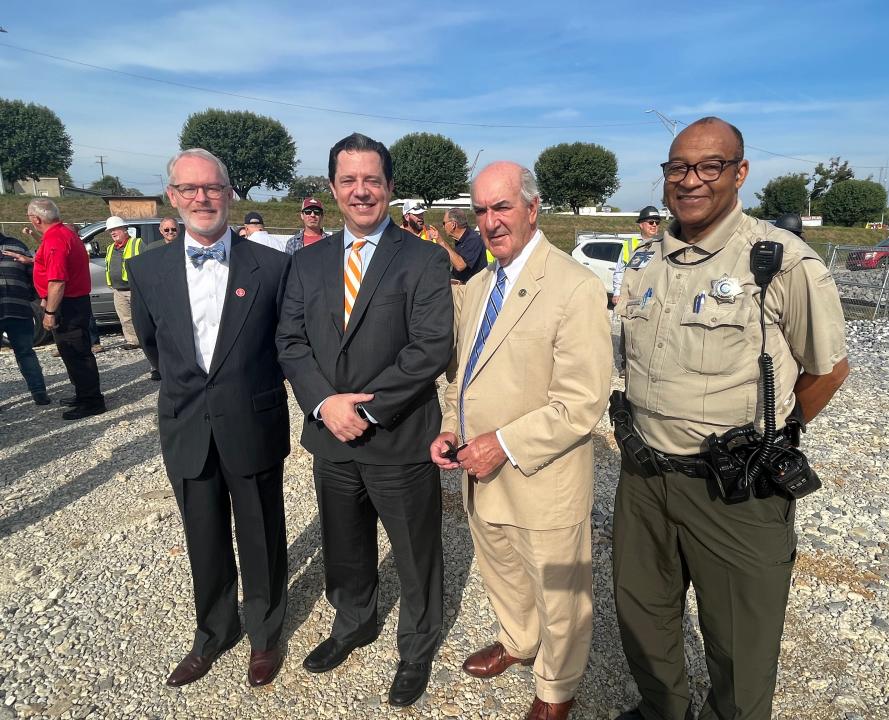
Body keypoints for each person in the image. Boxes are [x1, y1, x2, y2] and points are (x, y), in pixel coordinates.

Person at [612, 117, 849, 720]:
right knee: (644, 615)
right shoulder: (645, 264)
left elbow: (827, 369)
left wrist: (771, 443)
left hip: (734, 491)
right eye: (677, 168)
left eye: (709, 166)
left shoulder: (780, 261)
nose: (690, 180)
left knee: (740, 646)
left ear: (739, 172)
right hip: (644, 480)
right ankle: (663, 710)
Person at [430, 162, 611, 720]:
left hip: (539, 472)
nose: (490, 221)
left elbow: (582, 401)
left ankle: (557, 689)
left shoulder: (575, 287)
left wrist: (501, 443)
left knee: (559, 593)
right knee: (501, 566)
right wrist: (450, 426)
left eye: (501, 207)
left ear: (532, 209)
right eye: (481, 210)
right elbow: (463, 372)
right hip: (481, 469)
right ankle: (517, 640)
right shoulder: (481, 283)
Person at [276, 132, 452, 708]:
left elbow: (430, 349)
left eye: (371, 180)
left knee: (414, 551)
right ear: (332, 188)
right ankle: (354, 622)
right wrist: (327, 403)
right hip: (332, 436)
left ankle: (417, 646)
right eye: (348, 180)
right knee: (344, 544)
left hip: (398, 435)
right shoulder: (306, 262)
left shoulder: (422, 257)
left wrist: (367, 407)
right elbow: (291, 341)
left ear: (390, 187)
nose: (360, 191)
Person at [128, 148, 291, 689]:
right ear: (171, 197)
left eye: (213, 188)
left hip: (252, 421)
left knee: (261, 533)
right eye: (190, 189)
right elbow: (157, 349)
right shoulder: (145, 269)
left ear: (229, 193)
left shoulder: (271, 266)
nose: (202, 198)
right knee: (203, 536)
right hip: (187, 425)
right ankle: (213, 631)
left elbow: (284, 344)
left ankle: (265, 633)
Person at [27, 199, 106, 420]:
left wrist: (50, 312)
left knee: (76, 352)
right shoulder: (63, 234)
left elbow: (58, 280)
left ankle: (92, 400)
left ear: (36, 218)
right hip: (72, 301)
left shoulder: (56, 239)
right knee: (71, 351)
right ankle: (84, 394)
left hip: (69, 304)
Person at [0, 232, 49, 405]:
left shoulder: (17, 245)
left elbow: (34, 273)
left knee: (26, 353)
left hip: (19, 309)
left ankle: (39, 392)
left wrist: (33, 296)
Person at [103, 216, 144, 349]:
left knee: (140, 317)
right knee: (125, 318)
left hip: (135, 288)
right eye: (111, 231)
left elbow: (146, 264)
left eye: (115, 229)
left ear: (125, 230)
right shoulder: (110, 248)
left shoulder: (137, 243)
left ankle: (146, 339)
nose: (113, 233)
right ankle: (133, 341)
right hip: (118, 290)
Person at [611, 205, 661, 306]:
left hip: (655, 296)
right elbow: (620, 271)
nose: (654, 225)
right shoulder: (630, 245)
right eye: (651, 222)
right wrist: (617, 293)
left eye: (657, 222)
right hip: (633, 297)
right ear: (641, 225)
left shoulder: (664, 244)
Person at [436, 207, 487, 284]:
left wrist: (442, 243)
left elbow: (460, 265)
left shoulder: (473, 240)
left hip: (472, 290)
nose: (443, 227)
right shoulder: (460, 240)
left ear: (453, 224)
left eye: (444, 223)